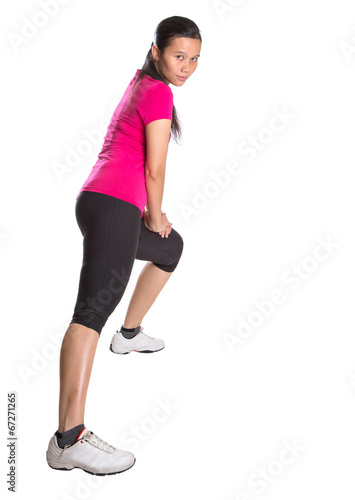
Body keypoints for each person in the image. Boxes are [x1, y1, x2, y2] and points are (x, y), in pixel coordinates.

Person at [46, 15, 202, 476]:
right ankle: (68, 440)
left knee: (170, 250)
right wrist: (154, 216)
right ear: (156, 52)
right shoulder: (157, 91)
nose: (187, 67)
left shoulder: (141, 81)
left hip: (100, 201)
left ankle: (129, 336)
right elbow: (155, 169)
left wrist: (155, 226)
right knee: (90, 314)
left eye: (195, 59)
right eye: (179, 56)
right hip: (116, 205)